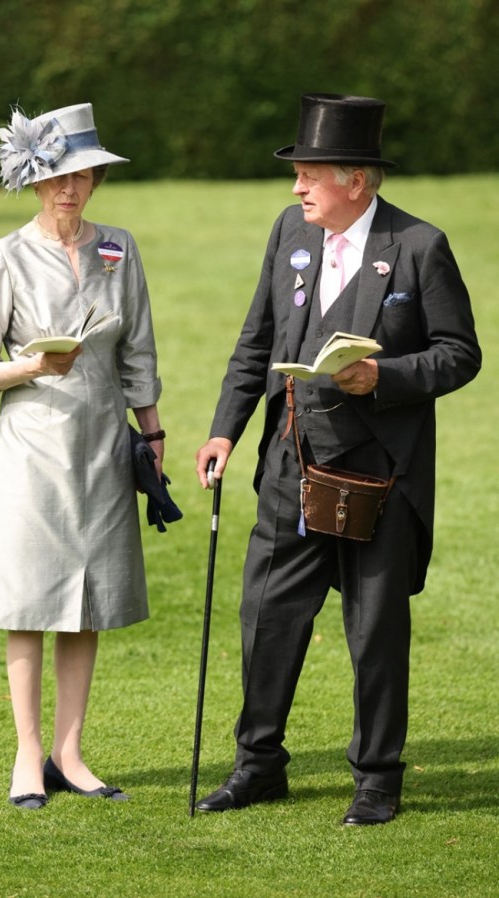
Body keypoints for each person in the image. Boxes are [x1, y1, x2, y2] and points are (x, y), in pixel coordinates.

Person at [195, 93, 481, 825]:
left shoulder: (421, 247)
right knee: (266, 616)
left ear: (357, 180)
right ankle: (258, 767)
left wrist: (382, 377)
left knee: (376, 631)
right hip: (290, 464)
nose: (297, 188)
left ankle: (378, 781)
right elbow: (256, 340)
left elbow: (460, 355)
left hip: (379, 477)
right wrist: (226, 429)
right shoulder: (291, 230)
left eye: (311, 174)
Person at [0, 103, 165, 810]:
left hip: (104, 446)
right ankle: (27, 754)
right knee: (28, 601)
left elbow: (138, 346)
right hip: (31, 449)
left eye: (81, 176)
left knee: (89, 601)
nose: (69, 190)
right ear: (33, 179)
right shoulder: (5, 257)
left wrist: (154, 433)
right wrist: (30, 370)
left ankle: (69, 752)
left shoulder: (120, 248)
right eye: (55, 177)